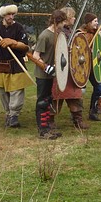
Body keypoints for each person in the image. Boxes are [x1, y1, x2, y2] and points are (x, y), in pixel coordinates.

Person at [0, 4, 33, 128]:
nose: (11, 17)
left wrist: (14, 43)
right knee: (3, 92)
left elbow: (25, 46)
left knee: (16, 91)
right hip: (1, 64)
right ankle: (8, 114)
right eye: (9, 14)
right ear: (4, 15)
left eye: (13, 14)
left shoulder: (18, 27)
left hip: (16, 63)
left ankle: (14, 115)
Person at [33, 9, 67, 140]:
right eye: (63, 21)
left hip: (51, 73)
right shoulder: (45, 36)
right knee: (42, 102)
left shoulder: (57, 34)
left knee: (47, 101)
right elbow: (36, 56)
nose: (64, 24)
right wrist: (46, 67)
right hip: (42, 74)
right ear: (58, 21)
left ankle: (47, 127)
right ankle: (42, 130)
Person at [51, 7, 87, 130]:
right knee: (57, 96)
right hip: (61, 68)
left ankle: (78, 120)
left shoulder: (71, 32)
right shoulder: (57, 32)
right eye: (72, 16)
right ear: (67, 18)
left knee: (75, 95)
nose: (74, 18)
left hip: (73, 70)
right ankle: (50, 121)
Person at [79, 12, 101, 121]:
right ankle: (76, 113)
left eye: (97, 21)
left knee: (99, 88)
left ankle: (93, 112)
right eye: (95, 21)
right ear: (89, 22)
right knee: (80, 91)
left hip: (93, 66)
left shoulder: (96, 34)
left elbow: (98, 50)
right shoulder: (80, 34)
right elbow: (77, 50)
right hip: (82, 66)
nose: (97, 23)